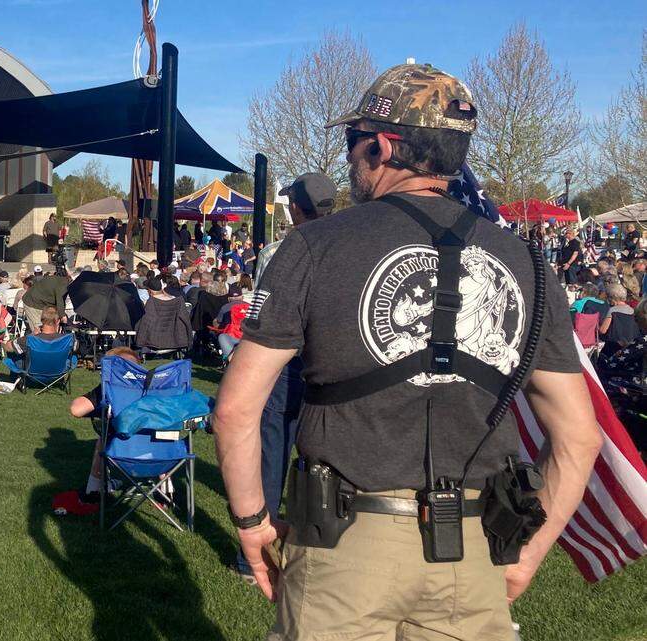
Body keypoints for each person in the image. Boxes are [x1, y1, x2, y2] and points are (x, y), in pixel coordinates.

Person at [214, 63, 601, 641]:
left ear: (383, 145)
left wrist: (251, 524)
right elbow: (580, 437)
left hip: (341, 548)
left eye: (354, 144)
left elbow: (236, 411)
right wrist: (531, 548)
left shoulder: (314, 245)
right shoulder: (528, 266)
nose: (350, 160)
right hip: (473, 553)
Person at [69, 347, 143, 504]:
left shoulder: (110, 391)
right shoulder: (156, 388)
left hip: (121, 450)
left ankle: (93, 489)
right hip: (162, 455)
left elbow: (76, 409)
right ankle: (165, 490)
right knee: (166, 432)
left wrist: (101, 404)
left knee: (104, 433)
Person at [22, 267, 69, 333]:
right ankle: (36, 341)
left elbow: (61, 301)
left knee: (46, 328)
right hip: (32, 302)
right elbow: (60, 300)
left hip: (41, 303)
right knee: (38, 329)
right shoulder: (63, 284)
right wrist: (63, 316)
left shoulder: (60, 281)